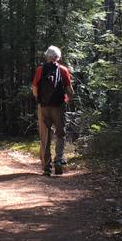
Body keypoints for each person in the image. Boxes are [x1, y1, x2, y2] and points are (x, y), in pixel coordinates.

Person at [32, 46, 73, 176]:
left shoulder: (40, 70)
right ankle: (59, 161)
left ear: (47, 56)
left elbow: (34, 89)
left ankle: (46, 167)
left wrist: (40, 100)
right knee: (60, 134)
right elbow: (70, 90)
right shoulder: (63, 70)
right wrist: (66, 100)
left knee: (45, 136)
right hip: (59, 107)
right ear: (58, 57)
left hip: (43, 107)